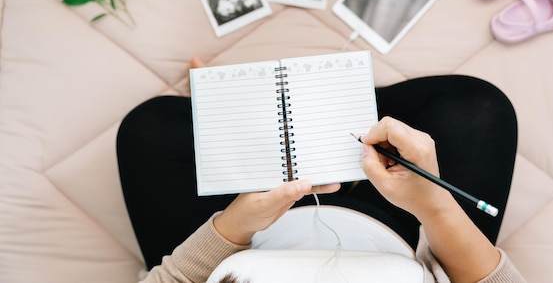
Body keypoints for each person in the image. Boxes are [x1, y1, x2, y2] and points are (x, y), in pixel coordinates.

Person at [116, 57, 526, 283]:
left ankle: (293, 112)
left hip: (246, 235)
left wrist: (234, 225)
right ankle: (343, 116)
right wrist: (434, 205)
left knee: (149, 126)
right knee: (478, 106)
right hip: (399, 230)